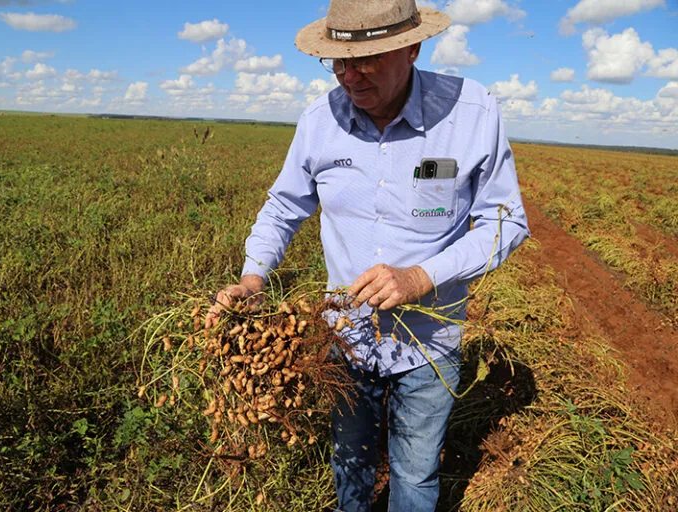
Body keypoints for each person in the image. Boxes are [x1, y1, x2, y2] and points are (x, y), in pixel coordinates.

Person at [206, 0, 530, 510]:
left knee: (416, 472)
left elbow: (506, 223)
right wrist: (252, 279)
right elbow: (283, 207)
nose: (348, 76)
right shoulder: (318, 121)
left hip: (430, 340)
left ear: (412, 47)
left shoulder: (471, 113)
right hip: (345, 339)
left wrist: (423, 276)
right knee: (350, 459)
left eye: (365, 60)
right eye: (337, 60)